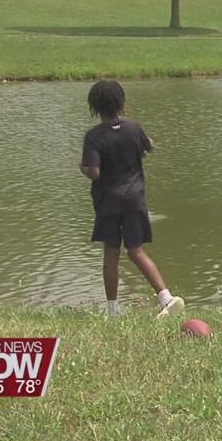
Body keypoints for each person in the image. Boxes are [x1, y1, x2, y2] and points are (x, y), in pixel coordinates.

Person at [80, 80, 184, 319]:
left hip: (108, 203)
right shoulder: (133, 127)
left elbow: (93, 171)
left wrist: (82, 168)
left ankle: (113, 310)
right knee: (136, 251)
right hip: (135, 199)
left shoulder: (94, 137)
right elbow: (150, 147)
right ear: (121, 102)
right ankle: (166, 298)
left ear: (94, 106)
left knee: (111, 254)